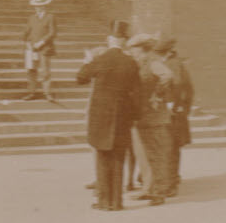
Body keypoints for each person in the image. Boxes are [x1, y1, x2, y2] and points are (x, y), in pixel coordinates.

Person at [76, 23, 140, 211]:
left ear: (109, 39)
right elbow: (137, 92)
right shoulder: (130, 62)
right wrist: (134, 116)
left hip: (101, 118)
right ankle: (116, 202)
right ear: (124, 40)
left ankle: (104, 201)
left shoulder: (101, 59)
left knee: (103, 157)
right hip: (122, 116)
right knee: (119, 158)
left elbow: (80, 78)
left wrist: (87, 60)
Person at [128, 33, 174, 206]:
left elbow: (168, 76)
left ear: (142, 48)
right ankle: (148, 189)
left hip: (154, 118)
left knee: (156, 154)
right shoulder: (140, 63)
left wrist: (157, 94)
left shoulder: (153, 62)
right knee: (144, 155)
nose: (132, 52)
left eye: (135, 49)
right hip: (142, 118)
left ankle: (159, 192)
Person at [155, 37, 194, 196]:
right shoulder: (176, 63)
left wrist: (172, 104)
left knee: (169, 148)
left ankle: (170, 184)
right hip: (177, 111)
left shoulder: (172, 64)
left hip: (172, 112)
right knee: (171, 148)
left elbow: (178, 86)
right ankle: (172, 179)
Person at [22, 0, 57, 102]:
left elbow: (52, 33)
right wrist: (27, 42)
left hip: (45, 48)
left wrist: (41, 42)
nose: (38, 8)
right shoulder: (31, 18)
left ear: (45, 6)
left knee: (45, 72)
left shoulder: (50, 17)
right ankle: (31, 93)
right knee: (31, 70)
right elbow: (26, 32)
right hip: (32, 48)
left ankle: (47, 93)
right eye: (36, 6)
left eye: (41, 6)